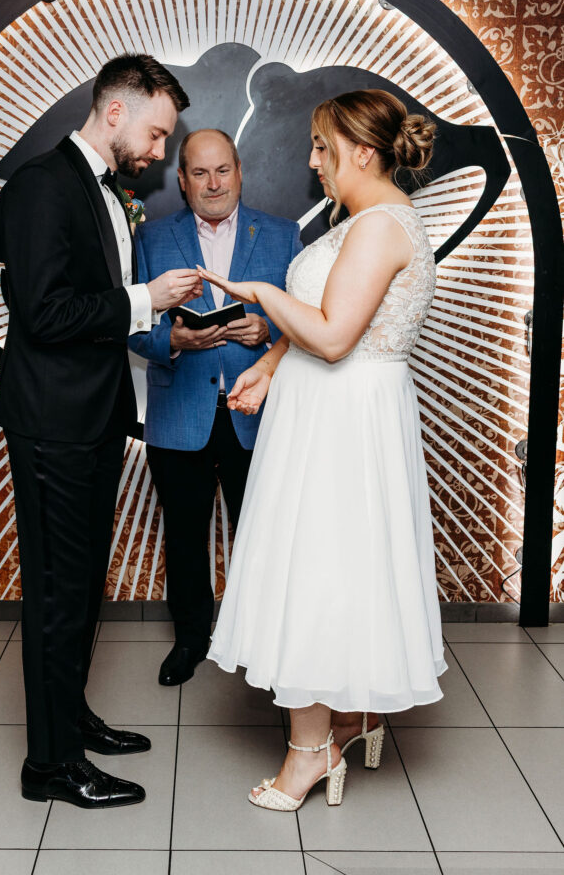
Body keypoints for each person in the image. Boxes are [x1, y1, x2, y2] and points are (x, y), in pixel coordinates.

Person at [200, 90, 448, 811]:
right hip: (326, 413)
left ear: (360, 151)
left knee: (315, 573)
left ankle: (308, 754)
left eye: (320, 146)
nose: (310, 162)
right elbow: (320, 326)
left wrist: (257, 292)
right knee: (330, 569)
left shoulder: (378, 227)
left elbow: (337, 336)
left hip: (343, 421)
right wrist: (268, 367)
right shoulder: (361, 223)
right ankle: (348, 720)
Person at [0, 54, 202, 808]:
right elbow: (43, 316)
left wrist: (138, 305)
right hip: (52, 423)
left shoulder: (107, 189)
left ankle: (68, 719)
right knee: (57, 593)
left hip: (92, 417)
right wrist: (143, 299)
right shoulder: (43, 185)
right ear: (115, 112)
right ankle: (48, 765)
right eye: (154, 133)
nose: (158, 152)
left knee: (80, 587)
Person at [129, 129, 303, 686]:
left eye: (222, 170)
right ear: (181, 181)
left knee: (266, 534)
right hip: (179, 412)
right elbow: (133, 323)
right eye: (199, 173)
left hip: (258, 415)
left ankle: (266, 642)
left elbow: (308, 320)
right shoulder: (152, 239)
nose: (212, 183)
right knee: (183, 536)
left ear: (240, 171)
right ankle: (190, 640)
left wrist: (267, 327)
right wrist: (172, 341)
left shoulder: (282, 235)